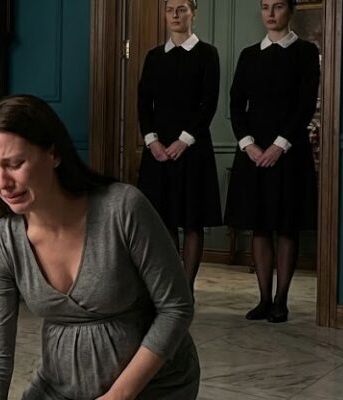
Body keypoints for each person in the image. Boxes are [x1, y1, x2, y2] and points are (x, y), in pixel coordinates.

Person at [0, 95, 200, 400]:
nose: (3, 182)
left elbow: (176, 308)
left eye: (14, 164)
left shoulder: (123, 208)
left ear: (54, 154)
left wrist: (117, 396)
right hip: (60, 387)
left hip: (154, 387)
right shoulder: (2, 243)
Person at [224, 0, 319, 323]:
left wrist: (279, 145)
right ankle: (264, 299)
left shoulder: (306, 52)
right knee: (260, 225)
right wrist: (248, 145)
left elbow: (306, 104)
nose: (270, 13)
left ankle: (281, 300)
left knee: (286, 226)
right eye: (265, 6)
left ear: (290, 10)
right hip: (253, 152)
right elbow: (236, 105)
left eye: (277, 6)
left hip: (290, 152)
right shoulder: (249, 55)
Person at [136, 0, 222, 293]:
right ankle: (173, 287)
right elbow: (143, 103)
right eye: (170, 9)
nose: (175, 14)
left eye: (182, 8)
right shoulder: (153, 57)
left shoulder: (208, 54)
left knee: (193, 221)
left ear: (193, 13)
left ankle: (187, 289)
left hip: (193, 149)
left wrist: (184, 140)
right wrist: (152, 141)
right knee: (164, 222)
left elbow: (209, 103)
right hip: (158, 151)